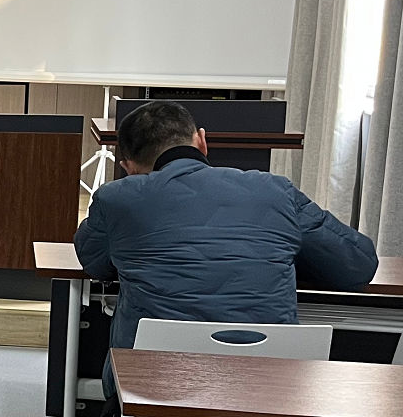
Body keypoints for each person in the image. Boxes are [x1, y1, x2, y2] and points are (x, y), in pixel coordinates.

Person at [75, 99, 380, 395]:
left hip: (152, 388)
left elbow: (95, 262)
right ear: (202, 141)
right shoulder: (275, 190)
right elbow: (357, 264)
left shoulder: (116, 199)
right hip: (269, 386)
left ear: (128, 166)